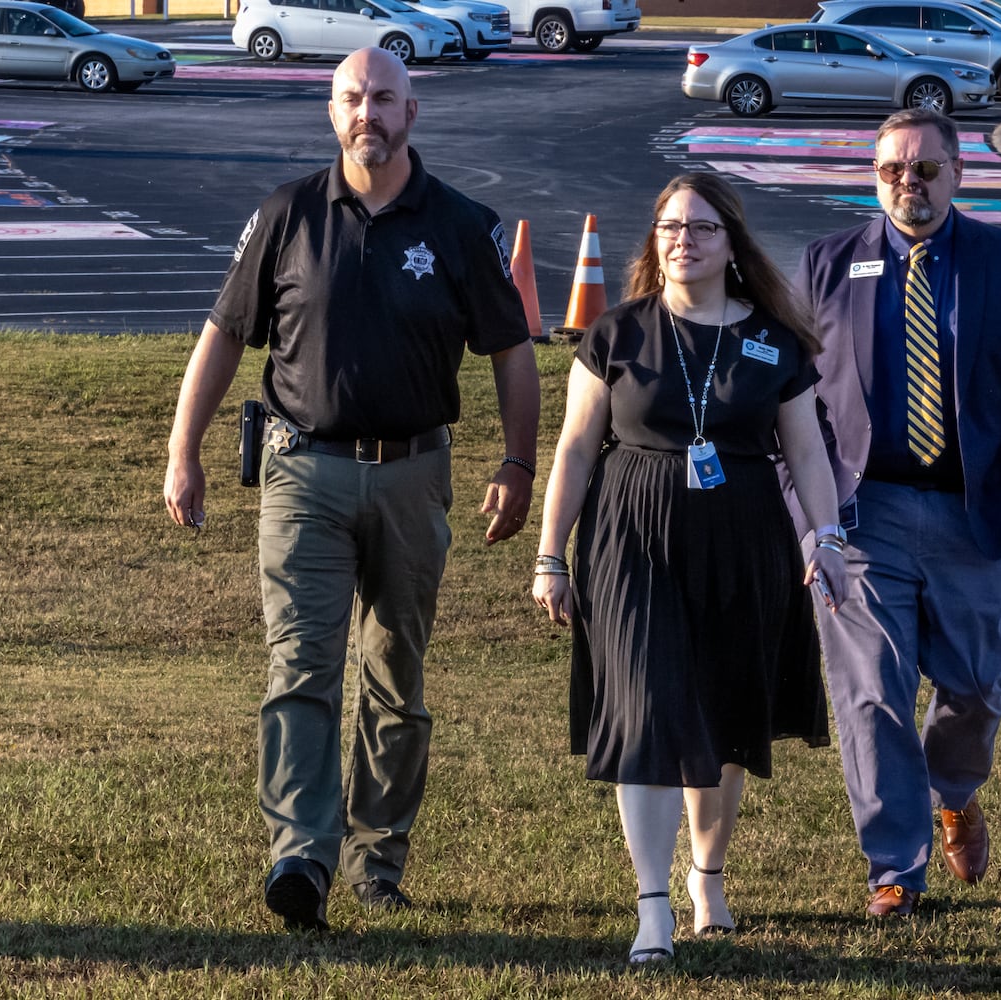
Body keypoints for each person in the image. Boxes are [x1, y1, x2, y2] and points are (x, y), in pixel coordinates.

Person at [162, 47, 539, 933]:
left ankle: (380, 858)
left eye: (382, 98)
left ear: (412, 111)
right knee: (299, 666)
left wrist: (518, 464)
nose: (366, 112)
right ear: (331, 112)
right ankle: (301, 854)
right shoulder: (287, 213)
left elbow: (513, 354)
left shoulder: (461, 223)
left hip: (415, 474)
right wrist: (185, 449)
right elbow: (223, 338)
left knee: (394, 675)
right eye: (350, 98)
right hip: (304, 472)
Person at [531, 173, 846, 965]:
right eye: (671, 226)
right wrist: (549, 555)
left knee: (725, 717)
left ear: (731, 242)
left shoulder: (774, 340)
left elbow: (805, 450)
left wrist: (828, 539)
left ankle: (707, 874)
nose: (683, 239)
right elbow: (574, 447)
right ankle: (651, 907)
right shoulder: (616, 332)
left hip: (744, 539)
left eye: (702, 228)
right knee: (643, 709)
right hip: (629, 536)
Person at [789, 108, 1001, 918]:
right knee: (870, 692)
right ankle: (894, 869)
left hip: (977, 514)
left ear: (958, 173)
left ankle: (953, 791)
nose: (905, 185)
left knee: (974, 688)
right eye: (889, 171)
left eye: (922, 170)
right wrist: (812, 519)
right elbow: (793, 405)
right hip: (859, 512)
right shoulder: (826, 263)